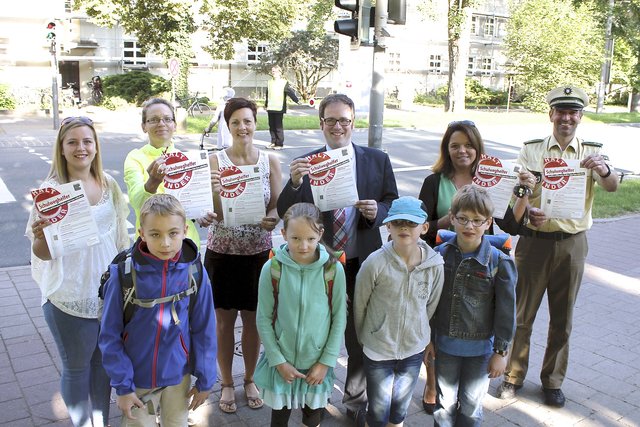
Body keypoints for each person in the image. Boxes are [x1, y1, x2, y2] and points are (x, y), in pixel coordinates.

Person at [277, 93, 399, 422]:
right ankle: (313, 397)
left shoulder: (376, 159)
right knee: (318, 330)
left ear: (353, 122)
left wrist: (379, 211)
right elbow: (283, 212)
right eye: (330, 120)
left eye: (344, 119)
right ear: (321, 124)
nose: (337, 126)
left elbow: (392, 200)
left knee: (359, 334)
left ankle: (356, 402)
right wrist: (294, 182)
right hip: (320, 264)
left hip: (362, 260)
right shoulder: (307, 163)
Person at [496, 86, 619, 407]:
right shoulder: (532, 151)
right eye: (560, 112)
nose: (566, 118)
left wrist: (603, 169)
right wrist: (527, 202)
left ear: (580, 117)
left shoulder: (592, 152)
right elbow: (518, 193)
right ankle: (513, 375)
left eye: (573, 113)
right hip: (534, 243)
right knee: (523, 315)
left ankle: (552, 381)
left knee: (562, 318)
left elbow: (612, 186)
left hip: (572, 245)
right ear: (550, 114)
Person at [417, 120, 532, 414]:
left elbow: (509, 224)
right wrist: (456, 217)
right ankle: (432, 384)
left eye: (468, 145)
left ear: (478, 148)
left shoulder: (493, 178)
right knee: (439, 324)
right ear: (447, 148)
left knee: (473, 319)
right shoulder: (434, 181)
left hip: (480, 267)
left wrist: (523, 191)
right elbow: (423, 226)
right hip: (443, 259)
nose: (462, 151)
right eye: (455, 145)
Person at [26, 116, 130, 427]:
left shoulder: (108, 185)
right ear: (61, 148)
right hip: (68, 295)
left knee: (102, 366)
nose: (80, 148)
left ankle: (101, 422)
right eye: (72, 142)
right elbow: (41, 253)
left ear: (96, 147)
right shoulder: (50, 193)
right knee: (76, 368)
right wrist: (42, 234)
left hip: (106, 293)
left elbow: (119, 239)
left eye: (87, 141)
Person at [99, 194, 217, 426]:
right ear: (142, 233)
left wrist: (205, 378)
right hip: (136, 380)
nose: (165, 243)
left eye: (173, 233)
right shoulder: (123, 276)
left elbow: (205, 327)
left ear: (185, 230)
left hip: (178, 376)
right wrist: (123, 386)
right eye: (155, 234)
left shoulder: (194, 271)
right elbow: (109, 335)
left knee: (177, 422)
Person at [206, 97, 282, 414]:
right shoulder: (214, 161)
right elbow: (206, 210)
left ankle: (249, 378)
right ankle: (226, 383)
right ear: (228, 124)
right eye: (235, 121)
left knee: (254, 322)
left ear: (255, 123)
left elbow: (277, 205)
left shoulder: (269, 161)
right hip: (222, 253)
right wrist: (210, 203)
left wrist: (274, 218)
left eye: (247, 120)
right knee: (224, 324)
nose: (242, 127)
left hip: (257, 253)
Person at [254, 202, 347, 427]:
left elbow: (338, 319)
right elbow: (263, 319)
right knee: (279, 418)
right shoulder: (273, 268)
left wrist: (325, 362)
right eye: (295, 238)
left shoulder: (333, 269)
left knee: (313, 417)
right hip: (282, 362)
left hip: (316, 362)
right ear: (284, 233)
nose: (303, 246)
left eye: (310, 239)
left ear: (320, 234)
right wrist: (278, 361)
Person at [431, 185, 517, 426]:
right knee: (444, 406)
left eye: (477, 221)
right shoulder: (438, 255)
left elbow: (506, 311)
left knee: (470, 408)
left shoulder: (499, 262)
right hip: (445, 346)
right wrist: (428, 339)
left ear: (488, 222)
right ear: (452, 218)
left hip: (480, 351)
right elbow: (430, 301)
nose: (469, 226)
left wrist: (501, 352)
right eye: (463, 219)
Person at [355, 196, 444, 427]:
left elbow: (430, 305)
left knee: (399, 411)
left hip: (413, 349)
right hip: (378, 349)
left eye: (412, 223)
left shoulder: (435, 265)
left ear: (424, 228)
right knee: (377, 411)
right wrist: (370, 336)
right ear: (388, 226)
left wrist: (420, 331)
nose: (404, 227)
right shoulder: (375, 263)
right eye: (398, 222)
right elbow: (360, 305)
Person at [124, 98, 214, 248]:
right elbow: (137, 201)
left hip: (186, 244)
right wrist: (152, 183)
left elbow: (190, 206)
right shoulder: (135, 157)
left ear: (174, 125)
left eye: (167, 119)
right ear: (144, 126)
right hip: (150, 246)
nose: (161, 124)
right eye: (153, 120)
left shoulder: (188, 160)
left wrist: (201, 214)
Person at [265, 66, 300, 150]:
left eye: (276, 71)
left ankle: (279, 144)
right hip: (270, 107)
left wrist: (296, 100)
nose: (274, 73)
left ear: (280, 72)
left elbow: (289, 92)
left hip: (279, 107)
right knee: (271, 126)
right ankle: (273, 142)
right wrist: (266, 104)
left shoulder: (284, 82)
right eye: (273, 71)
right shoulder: (269, 82)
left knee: (278, 127)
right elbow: (267, 94)